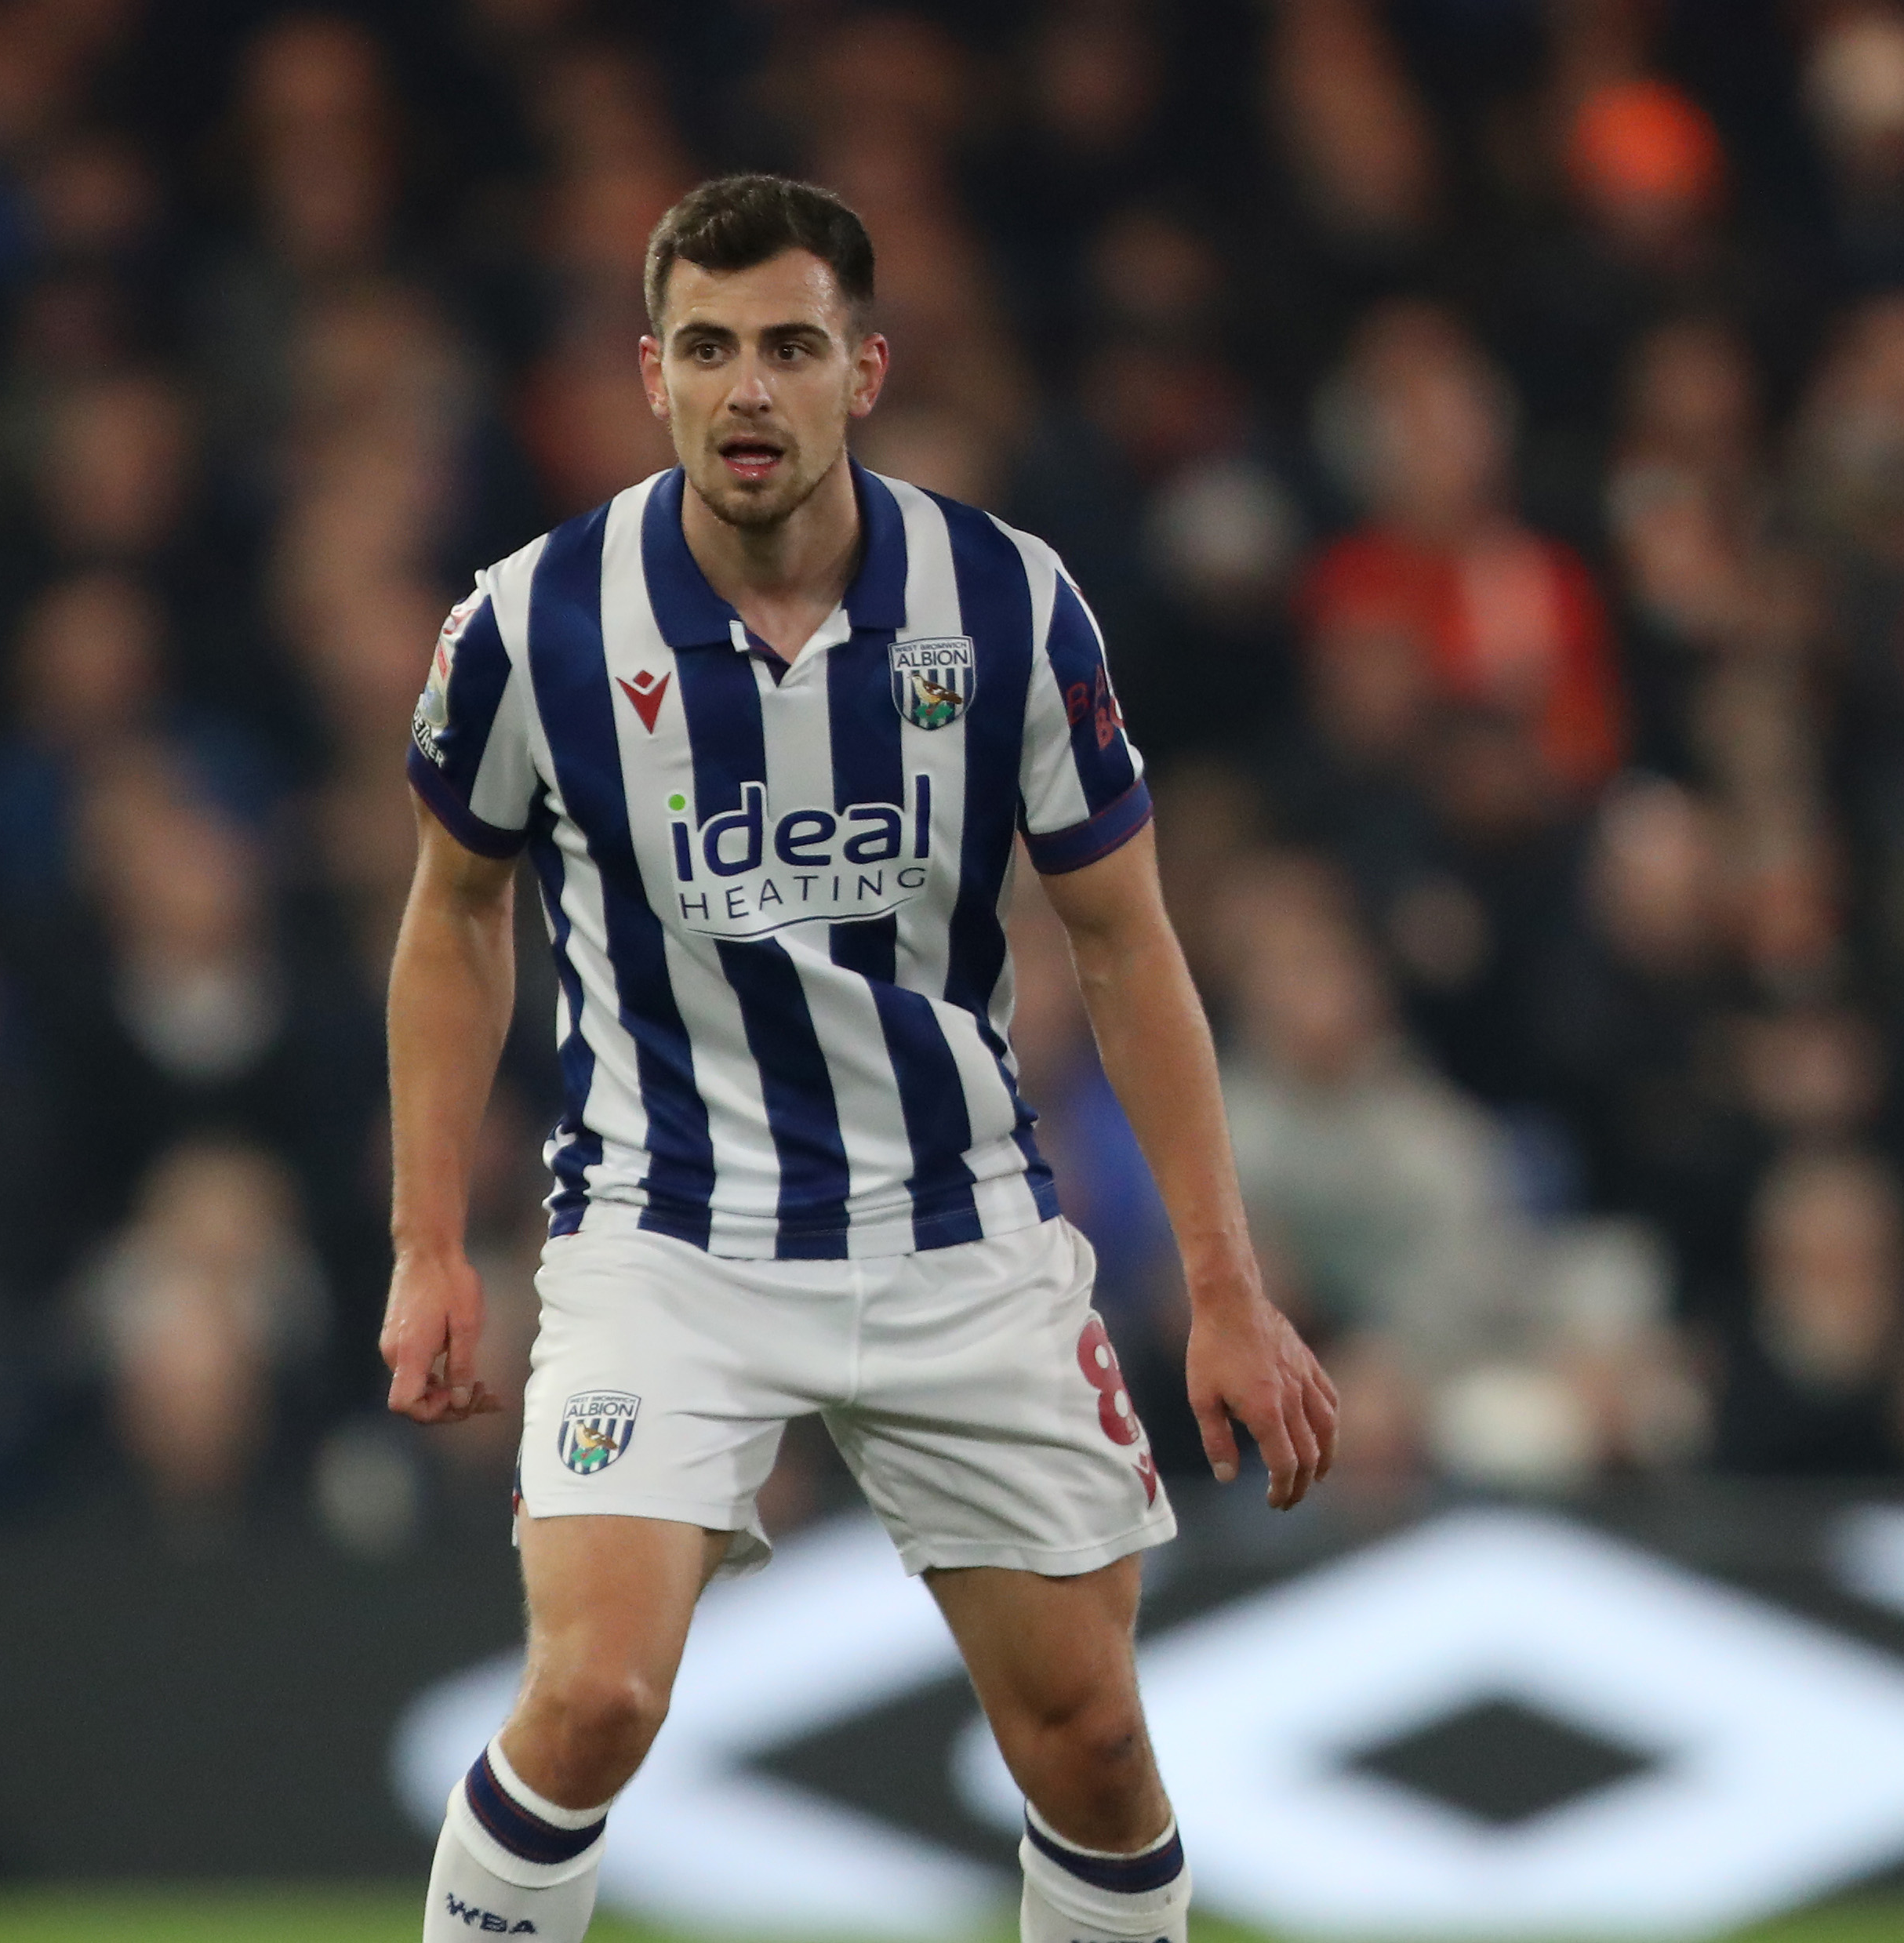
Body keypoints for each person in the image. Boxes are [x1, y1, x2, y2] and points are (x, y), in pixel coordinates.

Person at [381, 176, 1335, 1943]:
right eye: (708, 349)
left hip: (954, 1220)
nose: (749, 391)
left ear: (865, 371)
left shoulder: (1009, 606)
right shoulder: (531, 624)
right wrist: (428, 1243)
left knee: (1094, 1742)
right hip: (663, 1229)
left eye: (792, 348)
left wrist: (1221, 1283)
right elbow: (453, 918)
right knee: (592, 1700)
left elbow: (1124, 942)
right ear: (646, 371)